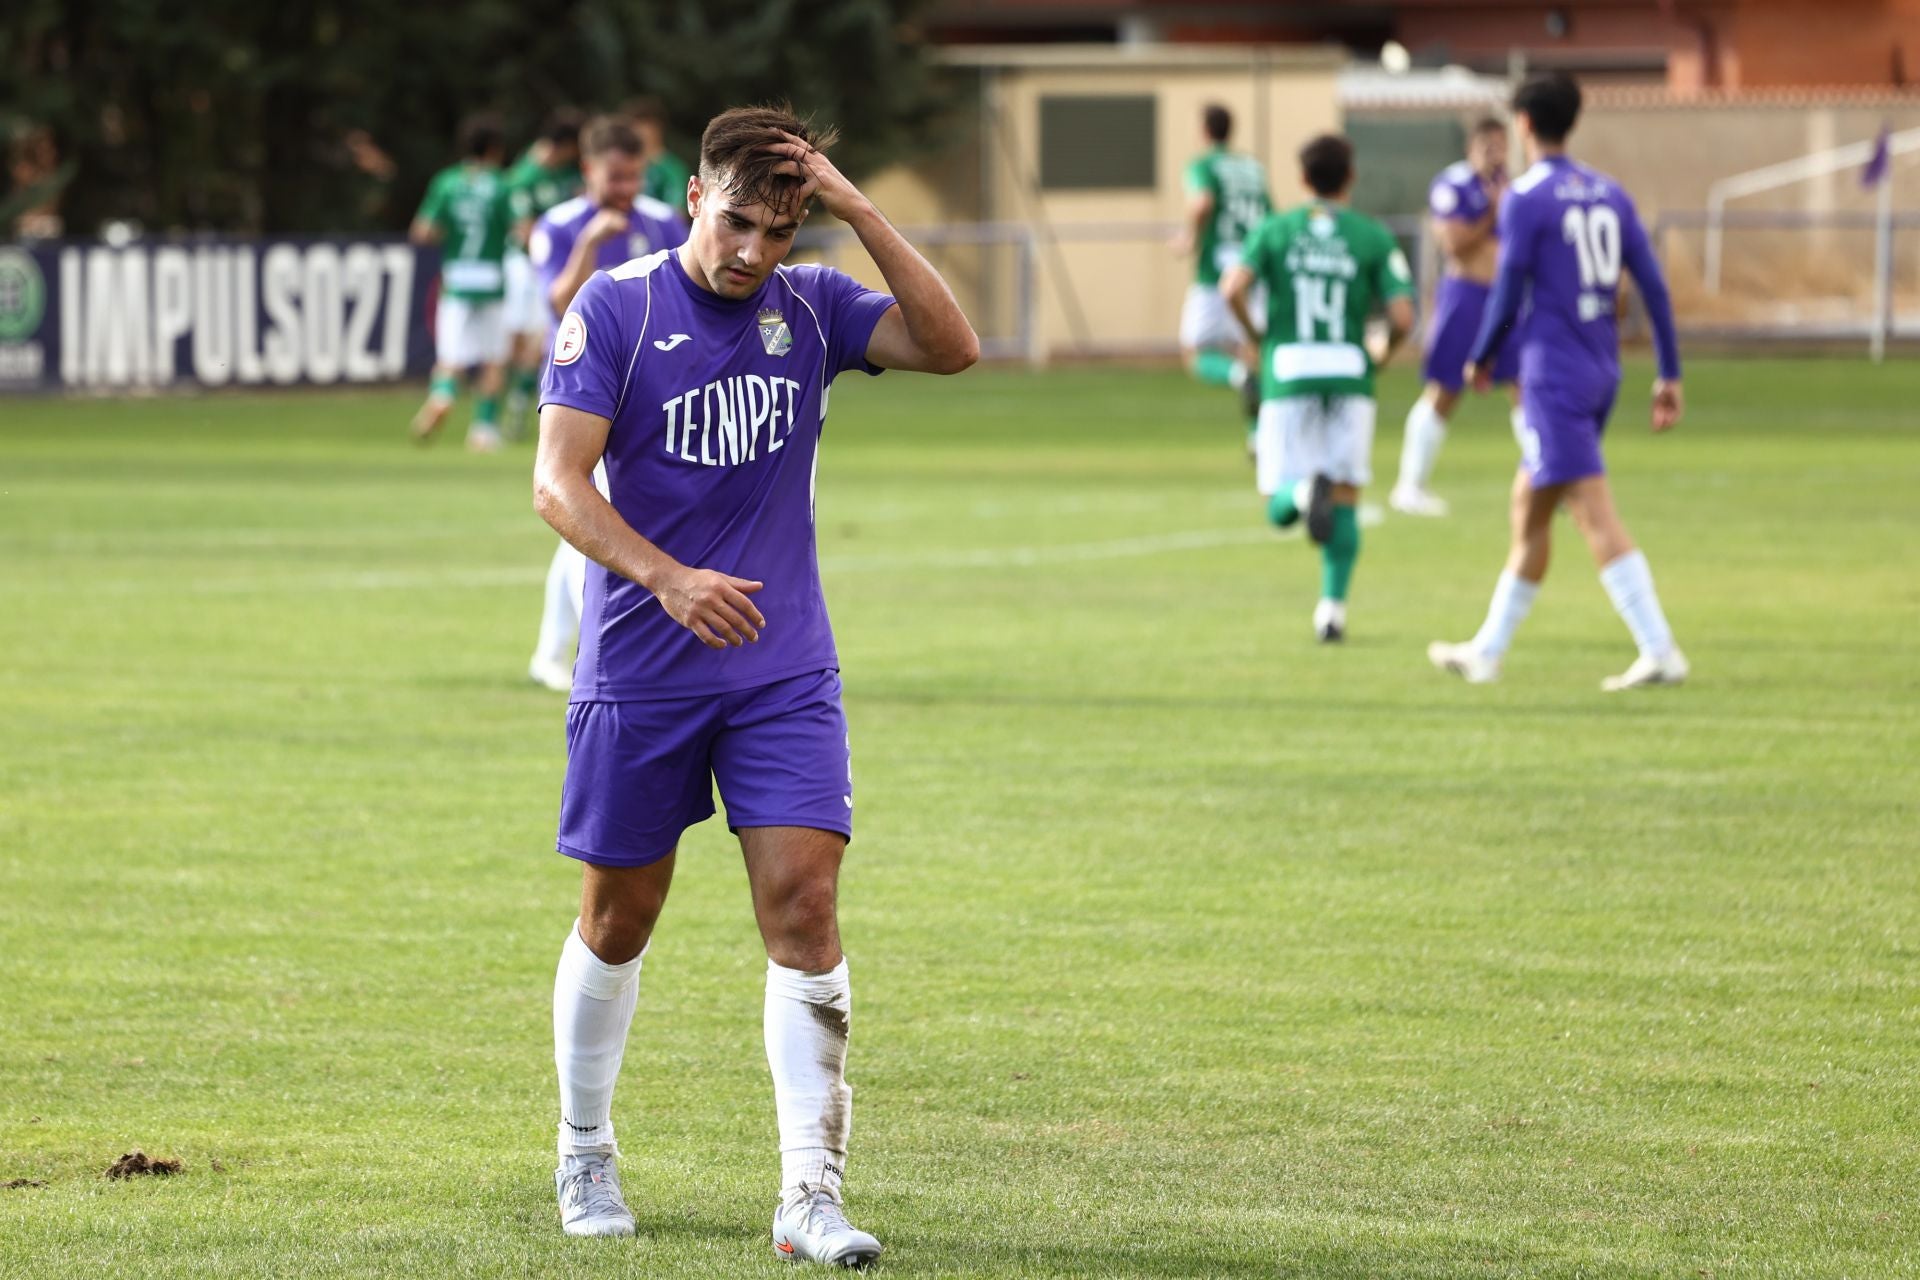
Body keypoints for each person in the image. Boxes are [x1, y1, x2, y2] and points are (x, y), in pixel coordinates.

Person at [531, 104, 977, 1259]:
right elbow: (558, 484)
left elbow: (952, 345)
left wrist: (861, 210)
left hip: (782, 668)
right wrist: (666, 576)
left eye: (781, 232)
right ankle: (584, 1144)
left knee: (807, 910)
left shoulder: (815, 308)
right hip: (644, 663)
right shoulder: (617, 310)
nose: (753, 253)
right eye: (737, 222)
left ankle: (810, 1192)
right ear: (693, 195)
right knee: (619, 918)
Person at [1428, 72, 1687, 691]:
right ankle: (1486, 651)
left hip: (1554, 377)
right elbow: (1652, 286)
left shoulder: (1525, 196)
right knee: (1531, 505)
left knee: (1592, 512)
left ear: (1522, 125)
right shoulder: (1608, 192)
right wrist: (1669, 371)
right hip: (1601, 368)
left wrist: (1483, 356)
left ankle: (1661, 651)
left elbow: (1508, 283)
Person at [1221, 134, 1415, 643]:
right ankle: (1331, 612)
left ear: (1303, 179)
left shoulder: (1276, 230)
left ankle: (1305, 492)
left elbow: (1232, 288)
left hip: (1288, 368)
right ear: (1350, 177)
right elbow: (1402, 316)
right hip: (1350, 370)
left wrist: (1258, 336)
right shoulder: (1371, 236)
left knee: (1277, 502)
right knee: (1348, 493)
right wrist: (1383, 353)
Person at [526, 116, 689, 694]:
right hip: (583, 392)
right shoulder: (561, 224)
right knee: (587, 506)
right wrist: (592, 243)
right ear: (589, 169)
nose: (625, 188)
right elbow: (557, 304)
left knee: (588, 514)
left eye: (634, 175)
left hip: (649, 389)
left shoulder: (663, 221)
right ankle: (587, 651)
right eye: (615, 176)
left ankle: (551, 653)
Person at [1391, 117, 1523, 517]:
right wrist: (1492, 212)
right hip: (1465, 298)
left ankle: (1551, 478)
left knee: (1523, 386)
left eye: (1501, 146)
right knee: (1446, 389)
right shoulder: (1454, 186)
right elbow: (1454, 245)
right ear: (1471, 147)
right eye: (1487, 146)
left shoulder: (1513, 187)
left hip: (1503, 301)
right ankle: (1410, 485)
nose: (1495, 154)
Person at [409, 113, 515, 451]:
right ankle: (483, 429)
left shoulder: (448, 183)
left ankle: (442, 396)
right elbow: (520, 228)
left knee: (451, 356)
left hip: (457, 277)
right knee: (493, 358)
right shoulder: (502, 186)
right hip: (492, 278)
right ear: (495, 149)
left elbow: (423, 231)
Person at [1173, 104, 1272, 436]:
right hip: (1251, 270)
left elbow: (1201, 203)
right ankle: (1258, 438)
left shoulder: (1203, 165)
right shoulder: (1253, 168)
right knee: (1253, 351)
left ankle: (1236, 376)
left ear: (1204, 131)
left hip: (1216, 271)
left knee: (1195, 353)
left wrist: (1189, 237)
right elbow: (1270, 218)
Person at [502, 108, 586, 438]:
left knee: (541, 341)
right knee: (522, 343)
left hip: (555, 269)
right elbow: (525, 231)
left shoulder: (564, 175)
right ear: (564, 145)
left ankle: (526, 409)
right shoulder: (525, 178)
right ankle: (517, 407)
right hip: (526, 267)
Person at [625, 96, 693, 210]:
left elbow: (676, 212)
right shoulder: (628, 167)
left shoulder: (673, 169)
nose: (637, 132)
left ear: (656, 129)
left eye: (642, 126)